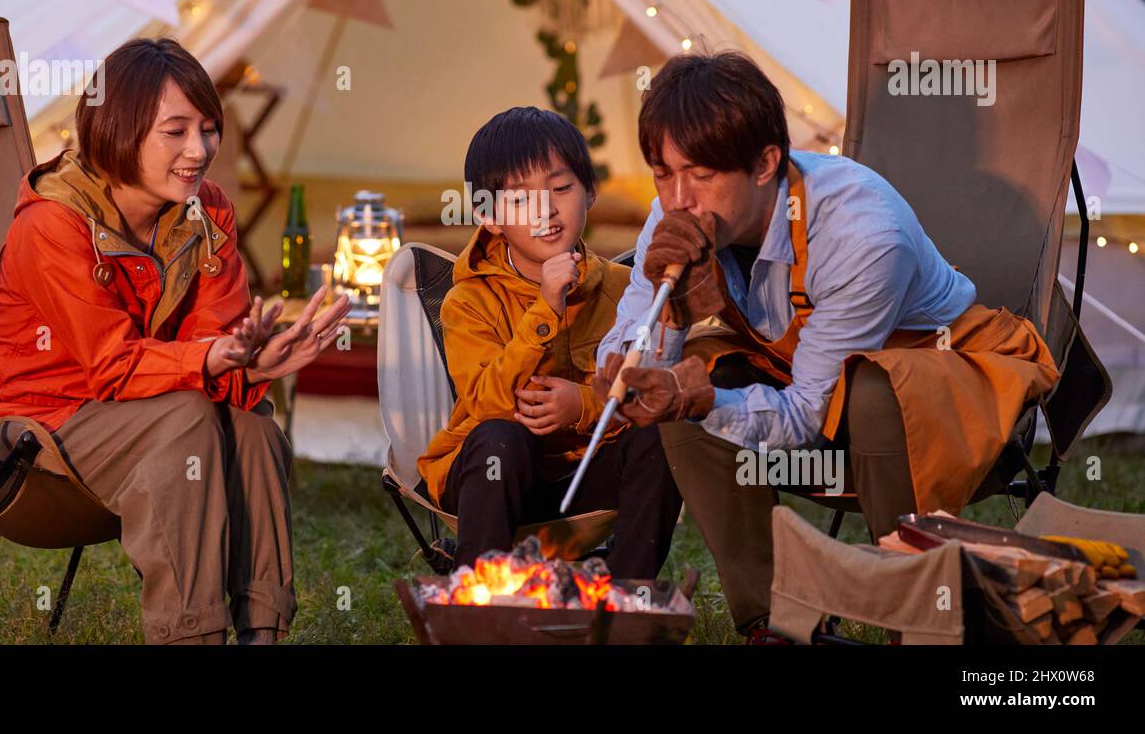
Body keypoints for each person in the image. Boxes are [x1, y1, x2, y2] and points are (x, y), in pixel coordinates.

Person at [596, 51, 1058, 640]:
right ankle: (775, 623)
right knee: (686, 384)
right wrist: (669, 327)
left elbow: (810, 420)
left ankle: (916, 621)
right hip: (808, 380)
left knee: (872, 388)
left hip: (941, 389)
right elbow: (625, 361)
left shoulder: (861, 233)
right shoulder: (674, 212)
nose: (678, 197)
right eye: (663, 172)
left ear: (766, 163)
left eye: (703, 174)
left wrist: (706, 402)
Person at [0, 37, 350, 644]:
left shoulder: (206, 211)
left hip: (138, 409)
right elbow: (113, 366)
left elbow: (212, 348)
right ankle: (190, 636)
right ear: (120, 129)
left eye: (209, 128)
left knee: (253, 429)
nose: (200, 151)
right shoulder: (53, 224)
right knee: (186, 416)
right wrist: (216, 360)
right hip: (28, 427)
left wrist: (253, 363)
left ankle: (261, 633)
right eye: (175, 132)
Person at [417, 107, 683, 577]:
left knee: (663, 431)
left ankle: (626, 594)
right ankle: (478, 602)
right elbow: (486, 403)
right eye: (520, 200)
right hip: (496, 479)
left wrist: (582, 404)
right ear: (488, 215)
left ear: (591, 192)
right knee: (499, 437)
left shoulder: (625, 288)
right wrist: (545, 309)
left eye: (561, 189)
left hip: (585, 476)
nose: (545, 211)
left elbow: (650, 387)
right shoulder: (467, 300)